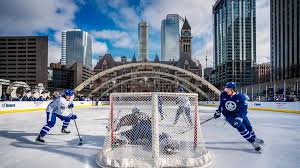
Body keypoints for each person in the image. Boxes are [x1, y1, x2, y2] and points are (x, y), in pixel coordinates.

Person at [214, 82, 264, 152]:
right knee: (241, 128)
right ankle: (253, 142)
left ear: (233, 89)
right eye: (226, 88)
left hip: (240, 114)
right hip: (229, 116)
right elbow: (221, 104)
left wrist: (239, 118)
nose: (226, 90)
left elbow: (244, 110)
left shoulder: (241, 97)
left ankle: (254, 138)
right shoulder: (223, 95)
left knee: (248, 126)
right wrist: (218, 111)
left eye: (228, 89)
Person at [114, 107, 179, 154]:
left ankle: (121, 139)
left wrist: (118, 125)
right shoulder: (146, 115)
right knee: (157, 138)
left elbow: (125, 120)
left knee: (128, 134)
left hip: (137, 129)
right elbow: (152, 122)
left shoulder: (134, 115)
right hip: (148, 129)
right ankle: (168, 143)